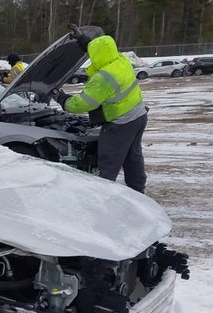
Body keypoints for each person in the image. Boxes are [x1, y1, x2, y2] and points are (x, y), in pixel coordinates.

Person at [54, 32, 148, 193]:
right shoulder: (121, 61)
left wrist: (62, 99)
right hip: (139, 115)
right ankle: (138, 190)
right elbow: (103, 51)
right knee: (133, 157)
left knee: (108, 162)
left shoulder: (103, 78)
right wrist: (85, 41)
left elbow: (82, 103)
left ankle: (102, 195)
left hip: (121, 123)